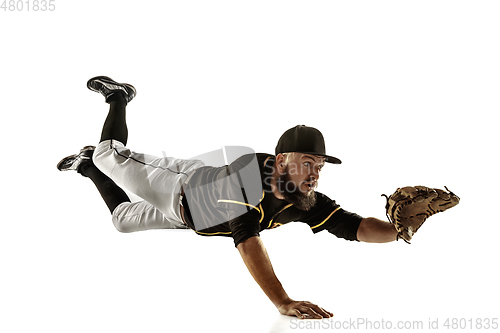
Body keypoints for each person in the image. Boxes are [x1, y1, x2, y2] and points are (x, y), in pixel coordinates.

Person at [58, 76, 399, 320]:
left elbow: (355, 227)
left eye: (320, 165)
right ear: (281, 161)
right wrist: (282, 300)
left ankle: (87, 167)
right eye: (307, 163)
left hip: (188, 217)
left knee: (122, 221)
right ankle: (118, 97)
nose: (315, 173)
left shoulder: (306, 199)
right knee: (110, 156)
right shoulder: (250, 175)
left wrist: (399, 230)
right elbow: (247, 238)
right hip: (176, 186)